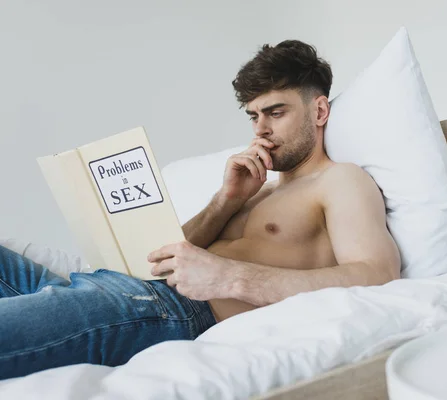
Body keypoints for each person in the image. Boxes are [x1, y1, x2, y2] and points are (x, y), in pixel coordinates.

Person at [0, 40, 400, 380]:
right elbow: (167, 256)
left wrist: (230, 278)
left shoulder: (340, 180)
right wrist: (226, 200)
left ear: (319, 112)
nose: (260, 128)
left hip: (163, 309)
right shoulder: (257, 191)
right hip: (120, 286)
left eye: (276, 112)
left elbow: (376, 275)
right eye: (253, 115)